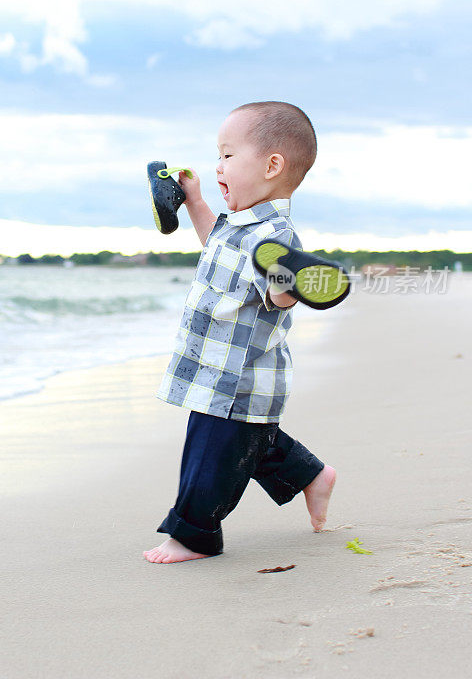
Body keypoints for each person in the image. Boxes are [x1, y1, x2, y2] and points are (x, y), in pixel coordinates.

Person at [143, 101, 337, 564]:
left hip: (239, 376)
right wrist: (193, 201)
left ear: (272, 166)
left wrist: (291, 282)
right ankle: (311, 475)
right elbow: (215, 242)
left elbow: (281, 296)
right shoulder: (237, 224)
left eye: (228, 156)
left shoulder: (277, 236)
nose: (217, 166)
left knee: (210, 455)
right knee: (253, 444)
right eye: (218, 155)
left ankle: (194, 535)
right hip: (215, 366)